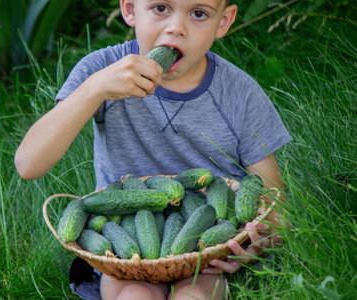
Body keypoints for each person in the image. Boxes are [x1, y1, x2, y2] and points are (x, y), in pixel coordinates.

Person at [15, 0, 292, 299]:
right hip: (125, 247)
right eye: (161, 8)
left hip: (208, 248)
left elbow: (276, 211)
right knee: (134, 295)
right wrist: (94, 89)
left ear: (223, 22)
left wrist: (257, 243)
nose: (176, 28)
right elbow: (29, 164)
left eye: (199, 14)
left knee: (194, 295)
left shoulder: (241, 93)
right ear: (131, 9)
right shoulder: (101, 71)